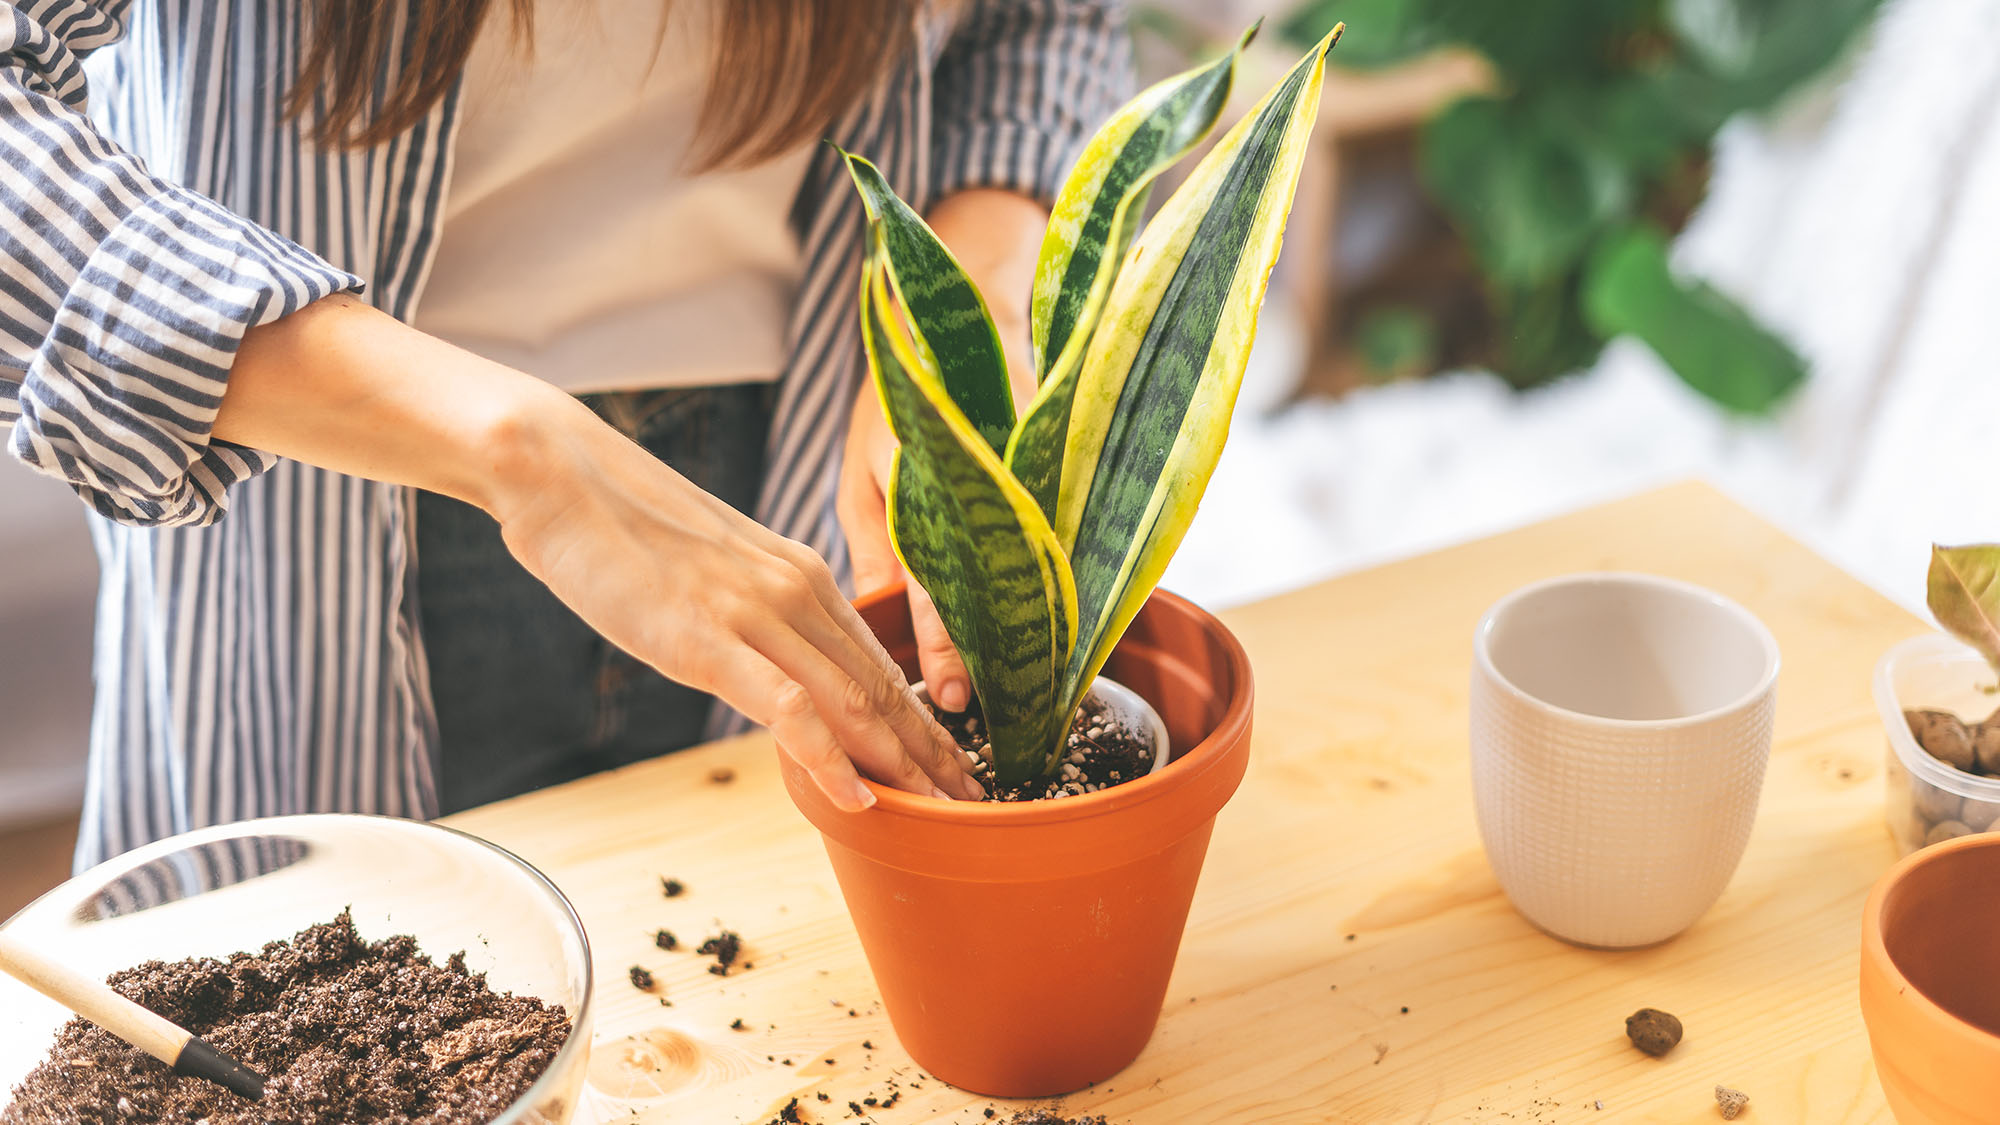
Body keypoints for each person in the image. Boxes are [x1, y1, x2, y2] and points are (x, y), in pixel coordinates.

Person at [0, 0, 1132, 869]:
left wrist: (959, 306)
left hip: (792, 469)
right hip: (340, 483)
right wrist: (526, 455)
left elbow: (1033, 21)